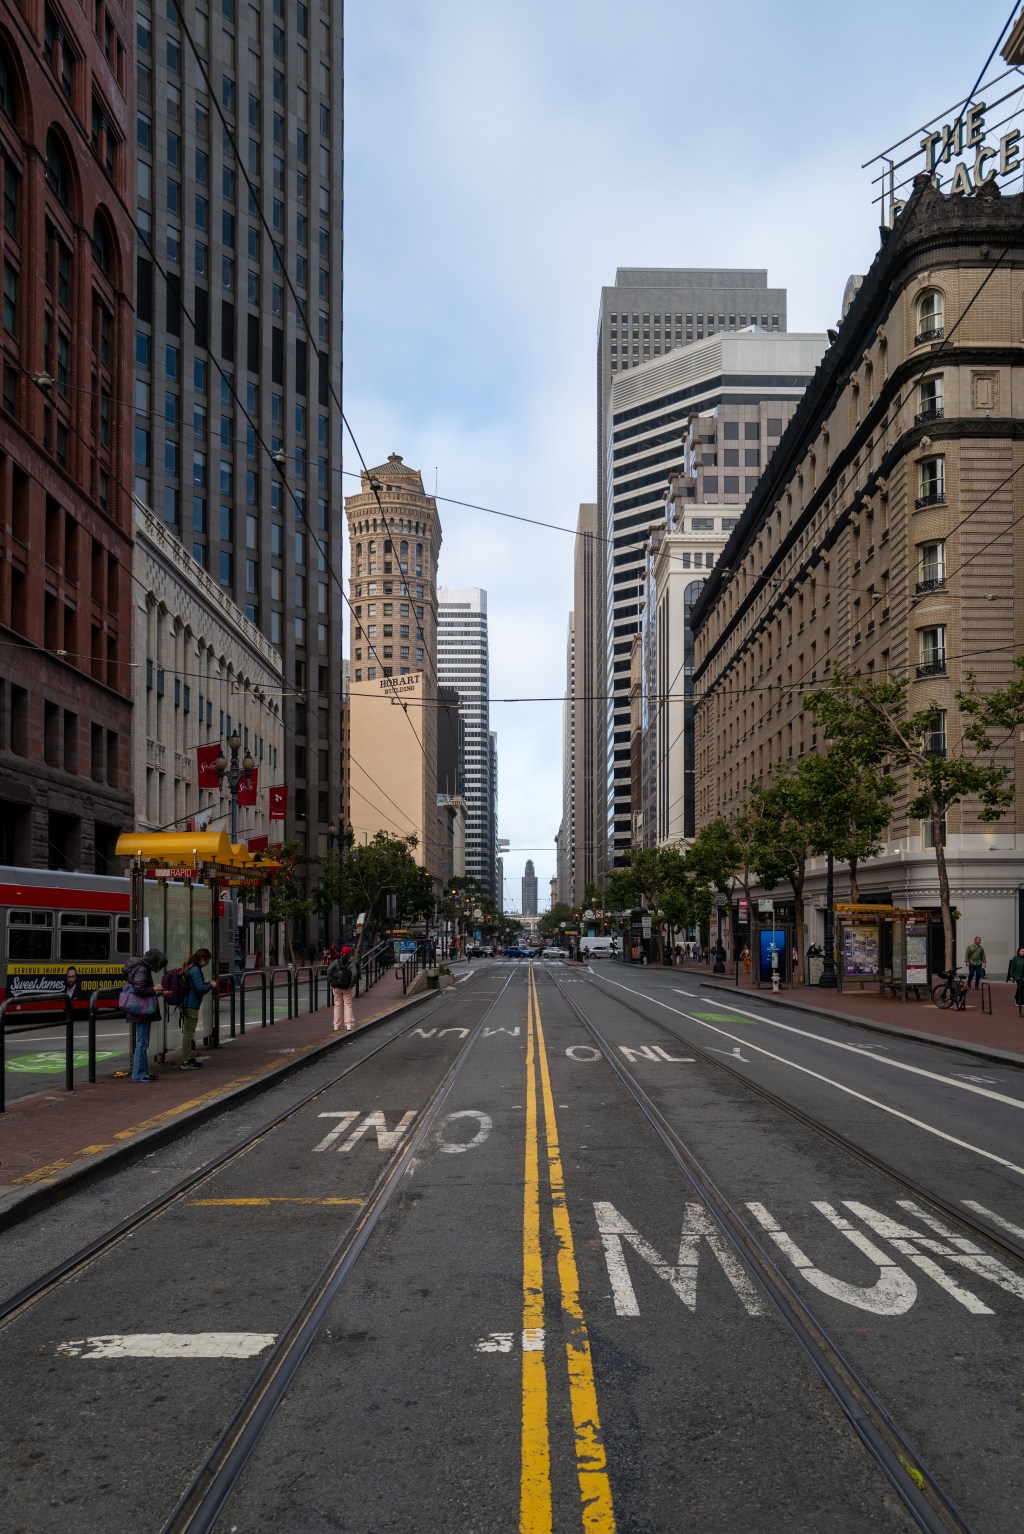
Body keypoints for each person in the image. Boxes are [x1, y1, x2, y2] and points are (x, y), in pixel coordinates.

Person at [125, 949, 167, 1082]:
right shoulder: (142, 969)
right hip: (141, 1010)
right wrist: (154, 989)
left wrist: (156, 992)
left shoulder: (140, 967)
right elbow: (140, 989)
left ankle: (143, 1072)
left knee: (143, 1042)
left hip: (140, 1009)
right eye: (159, 965)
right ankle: (139, 1074)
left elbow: (141, 988)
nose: (158, 968)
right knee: (142, 1043)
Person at [180, 948, 213, 1068]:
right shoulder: (195, 970)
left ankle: (187, 1058)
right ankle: (186, 1060)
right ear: (202, 959)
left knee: (188, 1032)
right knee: (188, 1033)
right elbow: (200, 988)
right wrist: (211, 985)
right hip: (191, 1005)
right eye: (207, 960)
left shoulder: (190, 967)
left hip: (188, 1003)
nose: (207, 963)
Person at [328, 944, 357, 1031]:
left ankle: (336, 1025)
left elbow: (329, 970)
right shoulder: (351, 964)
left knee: (337, 1005)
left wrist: (331, 982)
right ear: (349, 955)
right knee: (348, 1005)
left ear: (341, 953)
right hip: (346, 988)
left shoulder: (336, 962)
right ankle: (348, 1024)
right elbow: (355, 974)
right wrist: (351, 984)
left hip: (336, 987)